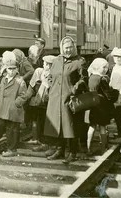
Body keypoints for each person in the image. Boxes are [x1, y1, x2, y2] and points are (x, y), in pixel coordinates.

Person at [44, 36, 87, 164]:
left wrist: (74, 89)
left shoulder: (79, 61)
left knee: (70, 125)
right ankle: (60, 149)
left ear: (74, 47)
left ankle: (72, 152)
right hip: (55, 97)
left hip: (70, 98)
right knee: (58, 124)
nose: (68, 50)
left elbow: (84, 79)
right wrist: (50, 87)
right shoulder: (57, 60)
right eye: (65, 48)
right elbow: (51, 76)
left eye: (70, 48)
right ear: (62, 48)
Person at [0, 56, 28, 157]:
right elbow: (0, 92)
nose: (12, 71)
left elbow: (23, 96)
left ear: (17, 69)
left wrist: (15, 104)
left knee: (12, 129)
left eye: (14, 68)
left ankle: (12, 149)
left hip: (13, 109)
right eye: (9, 68)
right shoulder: (3, 79)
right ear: (6, 69)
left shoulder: (20, 81)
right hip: (2, 108)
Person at [86, 58, 114, 155]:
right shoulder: (102, 79)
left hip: (92, 105)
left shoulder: (91, 77)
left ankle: (88, 148)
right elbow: (108, 94)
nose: (106, 69)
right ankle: (103, 148)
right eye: (104, 67)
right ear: (98, 67)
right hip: (102, 106)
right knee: (102, 126)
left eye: (106, 67)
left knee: (92, 126)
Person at [27, 55, 56, 148]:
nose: (44, 65)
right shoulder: (39, 71)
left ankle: (44, 142)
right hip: (40, 101)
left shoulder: (51, 74)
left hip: (45, 102)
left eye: (45, 63)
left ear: (49, 65)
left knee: (43, 121)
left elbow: (31, 86)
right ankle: (39, 139)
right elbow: (31, 86)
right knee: (39, 120)